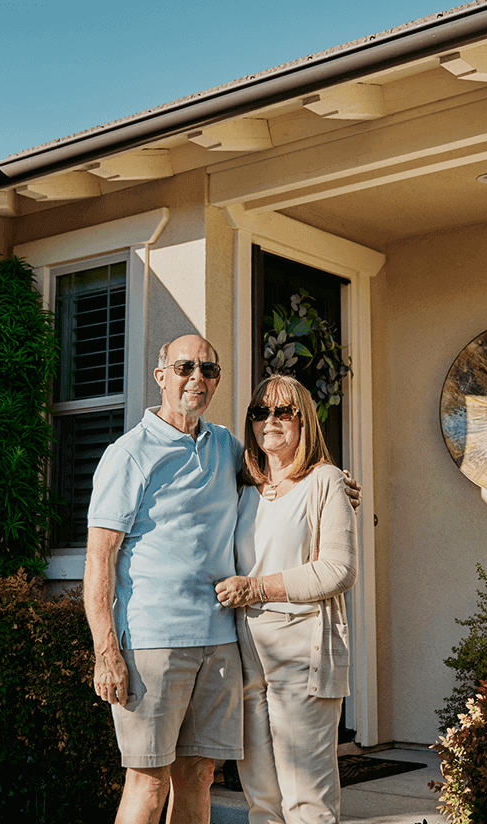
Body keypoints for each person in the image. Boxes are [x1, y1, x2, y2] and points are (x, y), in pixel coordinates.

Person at [84, 334, 242, 824]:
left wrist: (331, 484)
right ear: (161, 377)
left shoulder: (225, 446)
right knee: (148, 781)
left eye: (209, 370)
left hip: (219, 637)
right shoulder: (129, 454)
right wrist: (106, 652)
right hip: (153, 642)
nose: (197, 377)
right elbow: (99, 559)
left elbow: (281, 477)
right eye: (185, 367)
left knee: (199, 775)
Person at [214, 374, 358, 824]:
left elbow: (339, 570)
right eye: (260, 412)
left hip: (303, 652)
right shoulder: (242, 491)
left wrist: (256, 588)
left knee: (307, 801)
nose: (269, 421)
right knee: (261, 800)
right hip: (246, 654)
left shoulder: (325, 482)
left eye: (283, 411)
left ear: (304, 420)